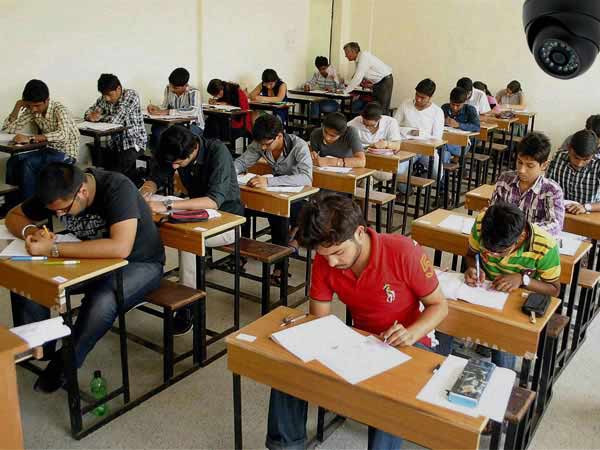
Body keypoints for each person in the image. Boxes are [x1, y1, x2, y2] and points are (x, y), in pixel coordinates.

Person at [265, 193, 448, 450]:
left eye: (338, 253)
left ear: (359, 232)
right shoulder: (326, 259)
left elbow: (439, 306)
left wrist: (411, 333)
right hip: (361, 340)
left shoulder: (403, 251)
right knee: (289, 368)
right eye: (323, 255)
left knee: (388, 392)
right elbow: (319, 320)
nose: (331, 262)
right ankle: (285, 446)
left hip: (408, 342)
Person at [5, 162, 164, 392]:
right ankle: (41, 347)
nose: (58, 215)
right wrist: (32, 232)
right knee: (29, 278)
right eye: (54, 211)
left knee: (103, 298)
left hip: (141, 263)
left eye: (64, 210)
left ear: (82, 191)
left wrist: (52, 250)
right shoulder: (57, 191)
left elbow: (120, 248)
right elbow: (14, 216)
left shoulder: (117, 187)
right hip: (90, 259)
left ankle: (66, 362)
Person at [140, 125, 243, 335]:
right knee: (148, 228)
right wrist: (146, 191)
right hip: (196, 216)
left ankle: (188, 306)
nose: (174, 167)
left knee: (188, 241)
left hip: (227, 221)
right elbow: (156, 177)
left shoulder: (218, 152)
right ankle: (141, 284)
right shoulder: (175, 148)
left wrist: (167, 205)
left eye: (179, 163)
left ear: (194, 150)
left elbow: (213, 201)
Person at [459, 202, 560, 369]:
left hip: (517, 298)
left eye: (500, 252)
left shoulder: (545, 245)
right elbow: (471, 254)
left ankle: (503, 374)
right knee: (448, 315)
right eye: (488, 250)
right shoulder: (482, 223)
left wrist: (522, 279)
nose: (492, 255)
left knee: (504, 339)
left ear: (520, 237)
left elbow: (554, 289)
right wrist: (472, 268)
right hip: (484, 289)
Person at [234, 114, 312, 285]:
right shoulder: (261, 142)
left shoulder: (299, 146)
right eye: (261, 144)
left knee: (278, 214)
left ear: (279, 136)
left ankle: (281, 266)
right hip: (274, 193)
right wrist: (227, 173)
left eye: (267, 144)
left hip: (297, 198)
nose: (263, 148)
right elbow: (241, 163)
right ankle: (242, 253)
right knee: (242, 205)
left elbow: (306, 178)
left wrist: (269, 181)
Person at [2, 79, 79, 204]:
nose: (33, 109)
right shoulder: (33, 109)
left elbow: (63, 134)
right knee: (13, 161)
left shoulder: (59, 110)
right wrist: (17, 106)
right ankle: (12, 204)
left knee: (28, 164)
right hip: (48, 150)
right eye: (30, 105)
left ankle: (30, 207)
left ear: (47, 100)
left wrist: (31, 138)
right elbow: (8, 129)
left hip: (67, 152)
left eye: (37, 106)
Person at [491, 132, 564, 237]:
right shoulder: (504, 180)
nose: (522, 170)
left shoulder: (552, 191)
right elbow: (493, 212)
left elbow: (555, 226)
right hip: (505, 240)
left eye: (530, 166)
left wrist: (524, 231)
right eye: (520, 162)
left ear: (544, 165)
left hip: (533, 242)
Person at [84, 74, 147, 185]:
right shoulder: (104, 98)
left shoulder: (130, 95)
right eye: (104, 95)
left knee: (113, 175)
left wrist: (98, 117)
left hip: (133, 143)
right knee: (103, 165)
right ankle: (135, 183)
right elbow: (88, 113)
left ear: (118, 89)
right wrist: (90, 116)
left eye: (109, 95)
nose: (106, 98)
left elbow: (115, 120)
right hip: (115, 144)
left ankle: (135, 185)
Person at [394, 78, 444, 179]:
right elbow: (393, 125)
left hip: (426, 149)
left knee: (438, 174)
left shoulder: (437, 111)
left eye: (422, 97)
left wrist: (420, 133)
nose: (418, 99)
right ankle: (406, 186)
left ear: (430, 97)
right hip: (406, 147)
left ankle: (420, 178)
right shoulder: (406, 104)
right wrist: (409, 131)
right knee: (397, 170)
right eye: (417, 95)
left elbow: (437, 138)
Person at [147, 67, 204, 150]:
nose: (171, 89)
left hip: (194, 125)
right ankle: (159, 155)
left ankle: (173, 156)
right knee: (157, 131)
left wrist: (166, 112)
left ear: (185, 85)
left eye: (175, 88)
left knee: (177, 137)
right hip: (175, 123)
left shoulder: (194, 92)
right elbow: (165, 106)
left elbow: (193, 111)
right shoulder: (168, 88)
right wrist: (157, 108)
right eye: (171, 85)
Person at [547, 129, 600, 214]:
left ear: (593, 155)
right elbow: (546, 186)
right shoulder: (558, 157)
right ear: (569, 148)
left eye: (586, 160)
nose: (579, 164)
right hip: (558, 210)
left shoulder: (598, 164)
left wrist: (586, 207)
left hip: (587, 214)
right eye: (576, 157)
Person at [343, 42, 394, 115]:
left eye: (346, 53)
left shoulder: (364, 57)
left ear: (353, 52)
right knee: (375, 108)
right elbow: (356, 76)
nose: (345, 56)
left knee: (381, 110)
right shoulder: (358, 59)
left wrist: (345, 91)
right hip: (379, 82)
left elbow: (357, 77)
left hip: (385, 81)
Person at [441, 87, 480, 163]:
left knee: (442, 147)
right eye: (452, 104)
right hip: (446, 139)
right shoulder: (444, 107)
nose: (455, 108)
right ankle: (450, 160)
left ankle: (453, 158)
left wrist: (458, 125)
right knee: (444, 155)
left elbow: (477, 127)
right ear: (450, 100)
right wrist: (443, 122)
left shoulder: (470, 110)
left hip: (462, 144)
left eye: (458, 105)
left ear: (464, 102)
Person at [303, 56, 343, 120]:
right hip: (322, 100)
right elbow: (311, 83)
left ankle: (314, 124)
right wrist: (307, 85)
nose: (322, 71)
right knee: (312, 104)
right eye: (319, 69)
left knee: (314, 105)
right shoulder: (317, 74)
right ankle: (315, 123)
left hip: (334, 101)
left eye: (324, 69)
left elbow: (342, 89)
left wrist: (334, 90)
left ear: (328, 66)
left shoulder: (335, 74)